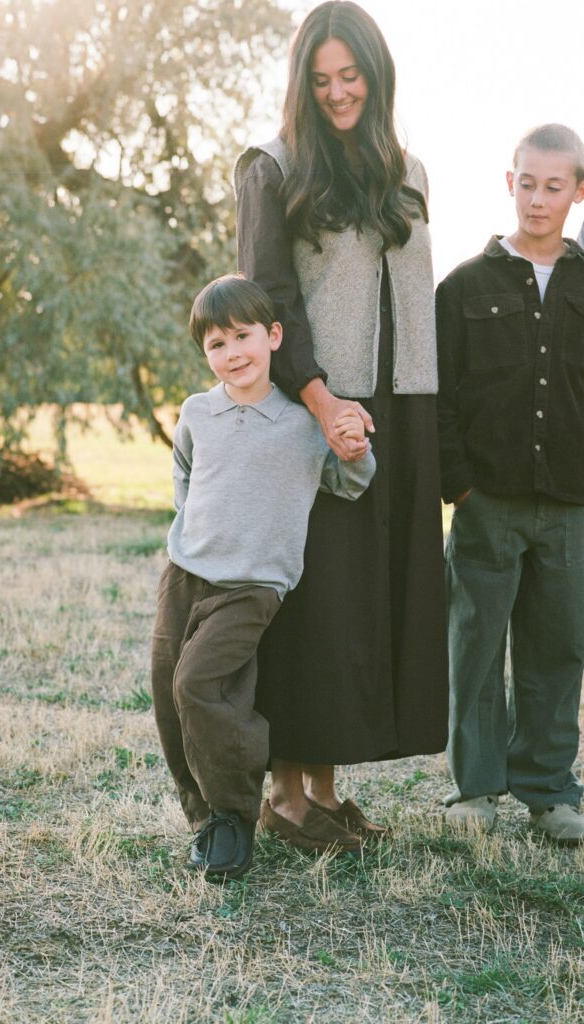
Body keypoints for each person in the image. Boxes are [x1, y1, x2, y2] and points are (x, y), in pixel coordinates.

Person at [233, 0, 448, 847]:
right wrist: (322, 403)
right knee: (315, 604)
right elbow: (267, 301)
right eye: (320, 79)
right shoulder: (274, 168)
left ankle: (323, 791)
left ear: (376, 74)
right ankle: (285, 796)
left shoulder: (408, 170)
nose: (336, 92)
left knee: (363, 605)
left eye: (350, 75)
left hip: (401, 406)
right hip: (314, 407)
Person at [151, 274, 376, 880]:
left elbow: (349, 483)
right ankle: (205, 820)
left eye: (242, 336)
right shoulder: (198, 412)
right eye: (216, 344)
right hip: (186, 572)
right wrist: (192, 532)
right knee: (169, 692)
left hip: (252, 586)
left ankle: (235, 813)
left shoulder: (302, 423)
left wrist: (356, 448)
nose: (232, 353)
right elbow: (184, 475)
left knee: (201, 685)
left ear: (274, 336)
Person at [437, 124, 584, 842]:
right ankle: (476, 789)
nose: (538, 199)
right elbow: (440, 395)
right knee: (475, 645)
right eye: (527, 183)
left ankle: (550, 790)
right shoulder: (464, 285)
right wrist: (459, 485)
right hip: (485, 502)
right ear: (509, 182)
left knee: (558, 650)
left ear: (577, 192)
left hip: (571, 506)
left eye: (554, 186)